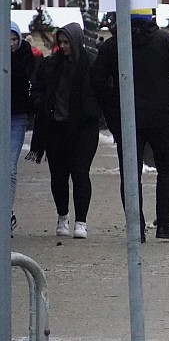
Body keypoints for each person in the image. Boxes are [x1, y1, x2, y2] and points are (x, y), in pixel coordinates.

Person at [93, 11, 169, 239]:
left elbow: (97, 80)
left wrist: (112, 110)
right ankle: (165, 226)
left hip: (127, 119)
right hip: (162, 118)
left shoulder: (113, 45)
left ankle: (136, 228)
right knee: (167, 169)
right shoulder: (165, 40)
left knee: (130, 174)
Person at [28, 23, 102, 239]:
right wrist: (41, 104)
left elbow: (103, 88)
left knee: (80, 173)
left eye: (66, 42)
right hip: (55, 127)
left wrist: (94, 110)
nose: (63, 46)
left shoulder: (90, 63)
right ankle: (63, 217)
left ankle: (81, 222)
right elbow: (38, 86)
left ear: (75, 41)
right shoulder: (51, 65)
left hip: (84, 128)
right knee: (58, 176)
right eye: (60, 42)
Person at [9, 22, 36, 232]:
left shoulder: (25, 57)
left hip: (16, 117)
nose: (11, 43)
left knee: (9, 168)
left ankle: (6, 212)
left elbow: (25, 80)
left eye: (14, 38)